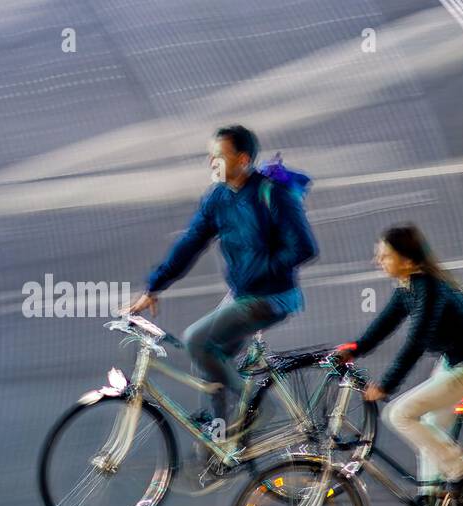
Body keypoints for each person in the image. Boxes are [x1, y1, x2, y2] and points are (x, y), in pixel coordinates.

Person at [125, 124, 318, 435]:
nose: (211, 162)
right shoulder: (218, 197)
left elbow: (305, 247)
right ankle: (223, 439)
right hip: (244, 293)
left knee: (197, 341)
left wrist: (259, 271)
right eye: (210, 155)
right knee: (208, 361)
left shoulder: (272, 194)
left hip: (272, 296)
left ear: (242, 160)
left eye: (218, 156)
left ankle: (257, 408)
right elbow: (191, 242)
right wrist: (155, 286)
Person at [336, 225, 463, 506]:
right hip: (455, 363)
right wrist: (356, 348)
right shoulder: (409, 284)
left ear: (408, 261)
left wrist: (386, 385)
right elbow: (386, 322)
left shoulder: (430, 290)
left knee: (399, 414)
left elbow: (415, 343)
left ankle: (461, 468)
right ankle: (430, 501)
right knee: (428, 430)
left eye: (384, 255)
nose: (377, 260)